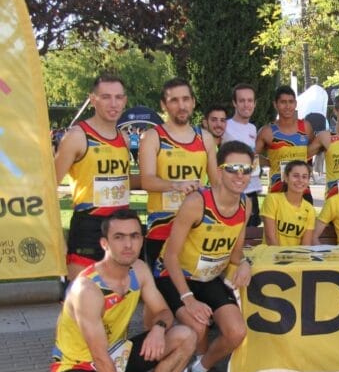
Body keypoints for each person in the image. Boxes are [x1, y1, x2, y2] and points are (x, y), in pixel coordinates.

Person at [50, 210, 195, 372]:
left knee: (185, 336)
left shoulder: (138, 269)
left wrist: (158, 330)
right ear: (104, 243)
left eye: (134, 236)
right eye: (119, 237)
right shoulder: (87, 289)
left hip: (116, 356)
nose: (128, 244)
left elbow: (163, 312)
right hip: (77, 365)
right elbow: (99, 357)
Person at [153, 141, 253, 372]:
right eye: (232, 168)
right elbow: (171, 256)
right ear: (219, 172)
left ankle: (198, 370)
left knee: (236, 332)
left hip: (208, 279)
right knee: (196, 326)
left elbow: (235, 256)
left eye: (246, 169)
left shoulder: (246, 204)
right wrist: (187, 299)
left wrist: (245, 263)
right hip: (173, 276)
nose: (239, 175)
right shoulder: (197, 203)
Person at [54, 73, 132, 281]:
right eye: (106, 97)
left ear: (125, 100)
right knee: (79, 296)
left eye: (118, 97)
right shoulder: (76, 136)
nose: (113, 103)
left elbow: (123, 181)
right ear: (93, 99)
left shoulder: (123, 138)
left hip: (122, 224)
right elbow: (48, 188)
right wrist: (58, 238)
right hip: (89, 225)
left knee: (116, 296)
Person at [139, 77, 219, 270]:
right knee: (159, 295)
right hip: (161, 229)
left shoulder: (205, 138)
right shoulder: (153, 137)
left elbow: (216, 184)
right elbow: (147, 181)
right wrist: (176, 185)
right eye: (174, 100)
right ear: (163, 105)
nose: (181, 105)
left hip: (195, 229)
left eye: (185, 99)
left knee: (193, 290)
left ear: (193, 102)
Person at [256, 85, 315, 202]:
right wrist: (270, 162)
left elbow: (313, 149)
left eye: (291, 102)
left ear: (295, 104)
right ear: (275, 104)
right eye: (283, 102)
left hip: (303, 191)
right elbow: (252, 157)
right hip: (278, 190)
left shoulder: (306, 127)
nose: (287, 106)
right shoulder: (267, 131)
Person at [223, 83, 263, 226]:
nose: (246, 105)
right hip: (232, 193)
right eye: (242, 101)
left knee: (251, 241)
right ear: (234, 103)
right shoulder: (224, 126)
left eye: (250, 100)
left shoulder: (252, 128)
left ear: (255, 103)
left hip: (251, 191)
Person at [261, 160, 316, 246]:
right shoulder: (272, 200)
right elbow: (270, 238)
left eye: (304, 177)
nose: (300, 180)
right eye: (295, 176)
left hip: (296, 257)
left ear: (308, 181)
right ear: (286, 178)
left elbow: (306, 244)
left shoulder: (310, 209)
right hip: (271, 256)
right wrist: (282, 258)